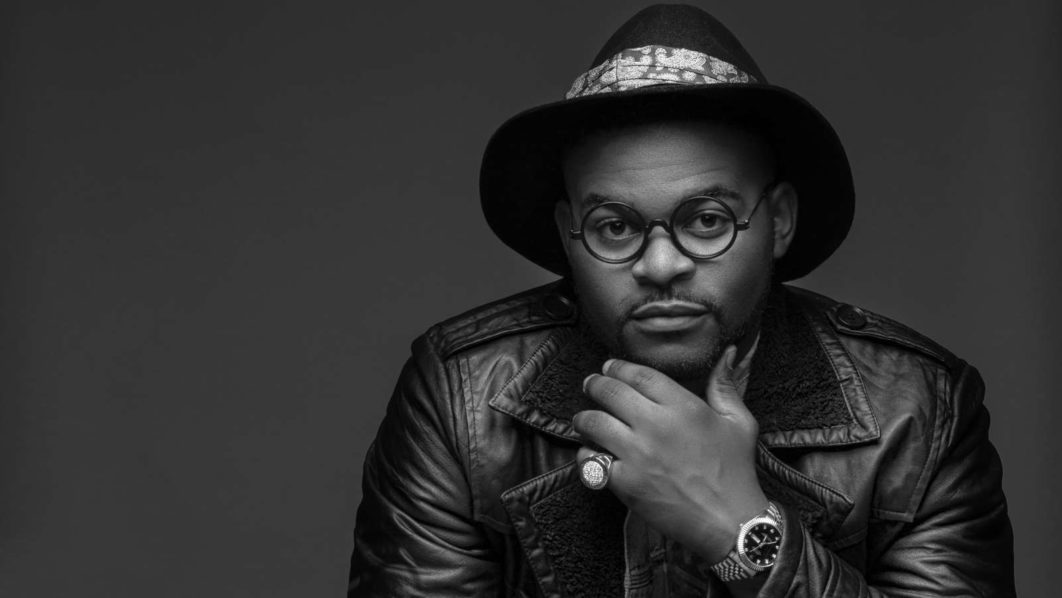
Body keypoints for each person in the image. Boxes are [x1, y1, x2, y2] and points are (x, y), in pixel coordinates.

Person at [348, 5, 1014, 597]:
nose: (660, 265)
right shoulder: (463, 397)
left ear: (779, 221)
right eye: (615, 226)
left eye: (706, 220)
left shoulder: (916, 413)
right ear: (568, 234)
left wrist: (739, 527)